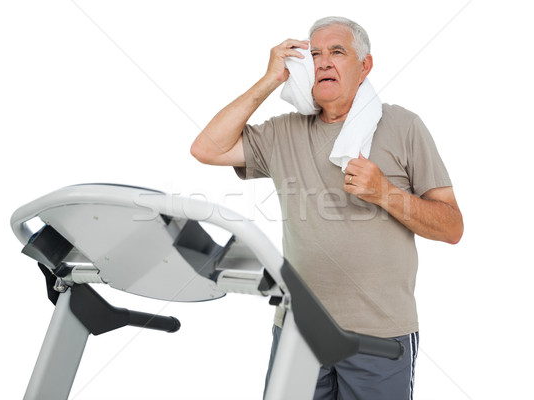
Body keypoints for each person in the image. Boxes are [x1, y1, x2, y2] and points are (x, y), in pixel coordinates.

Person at [191, 16, 463, 400]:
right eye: (314, 54)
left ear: (364, 66)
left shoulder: (404, 126)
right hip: (300, 332)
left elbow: (451, 227)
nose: (323, 62)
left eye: (338, 51)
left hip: (379, 337)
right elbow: (207, 148)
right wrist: (270, 80)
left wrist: (385, 192)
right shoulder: (284, 131)